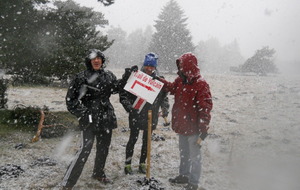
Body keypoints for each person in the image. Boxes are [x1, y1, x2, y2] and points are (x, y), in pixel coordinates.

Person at [61, 49, 137, 189]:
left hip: (106, 117)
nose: (96, 61)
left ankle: (98, 173)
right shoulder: (81, 77)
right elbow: (71, 100)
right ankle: (68, 183)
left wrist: (127, 76)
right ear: (89, 61)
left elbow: (116, 88)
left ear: (102, 61)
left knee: (103, 149)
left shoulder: (108, 76)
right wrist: (84, 113)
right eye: (94, 58)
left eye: (99, 58)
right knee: (85, 150)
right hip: (88, 118)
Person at [157, 53, 213, 190]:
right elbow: (171, 88)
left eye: (182, 64)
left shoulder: (201, 84)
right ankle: (184, 176)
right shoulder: (180, 80)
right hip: (182, 125)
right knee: (184, 153)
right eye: (179, 64)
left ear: (189, 65)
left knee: (195, 156)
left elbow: (205, 107)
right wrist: (159, 80)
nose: (180, 67)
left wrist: (203, 127)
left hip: (194, 128)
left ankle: (193, 183)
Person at [119, 53, 170, 175]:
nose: (149, 69)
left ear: (155, 67)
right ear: (144, 65)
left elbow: (164, 98)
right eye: (147, 66)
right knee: (133, 139)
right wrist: (129, 107)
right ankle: (128, 164)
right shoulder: (136, 76)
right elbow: (123, 94)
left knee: (147, 141)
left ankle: (142, 163)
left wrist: (165, 108)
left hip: (151, 115)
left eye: (152, 66)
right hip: (136, 113)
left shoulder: (159, 80)